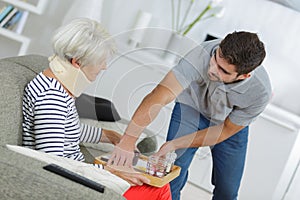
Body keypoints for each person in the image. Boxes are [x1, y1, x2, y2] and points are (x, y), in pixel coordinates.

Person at [108, 31, 272, 200]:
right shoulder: (199, 55)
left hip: (227, 125)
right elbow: (160, 95)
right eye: (216, 57)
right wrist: (128, 139)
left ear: (245, 76)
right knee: (172, 177)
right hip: (191, 110)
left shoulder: (260, 93)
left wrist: (174, 144)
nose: (213, 69)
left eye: (223, 71)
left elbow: (223, 131)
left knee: (228, 190)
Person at [22, 18, 171, 200]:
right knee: (158, 189)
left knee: (155, 183)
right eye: (101, 61)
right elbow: (55, 164)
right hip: (76, 185)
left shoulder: (58, 88)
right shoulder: (51, 97)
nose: (104, 66)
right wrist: (110, 172)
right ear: (77, 62)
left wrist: (110, 135)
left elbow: (67, 131)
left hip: (84, 175)